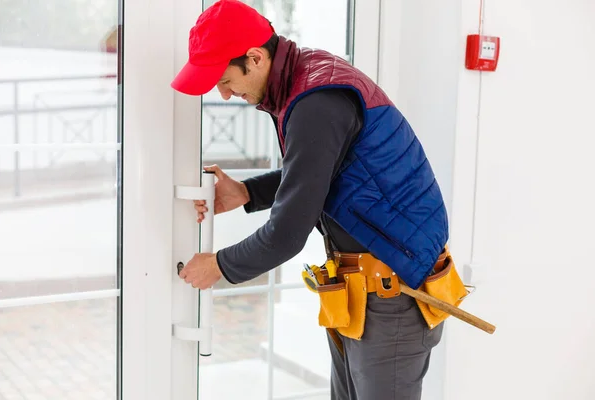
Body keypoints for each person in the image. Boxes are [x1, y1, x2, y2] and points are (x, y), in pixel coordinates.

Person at [172, 0, 450, 398]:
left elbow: (286, 235)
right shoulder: (306, 78)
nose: (226, 94)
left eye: (225, 80)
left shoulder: (316, 100)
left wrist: (219, 265)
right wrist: (247, 192)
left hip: (393, 288)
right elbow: (322, 171)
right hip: (360, 283)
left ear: (254, 58)